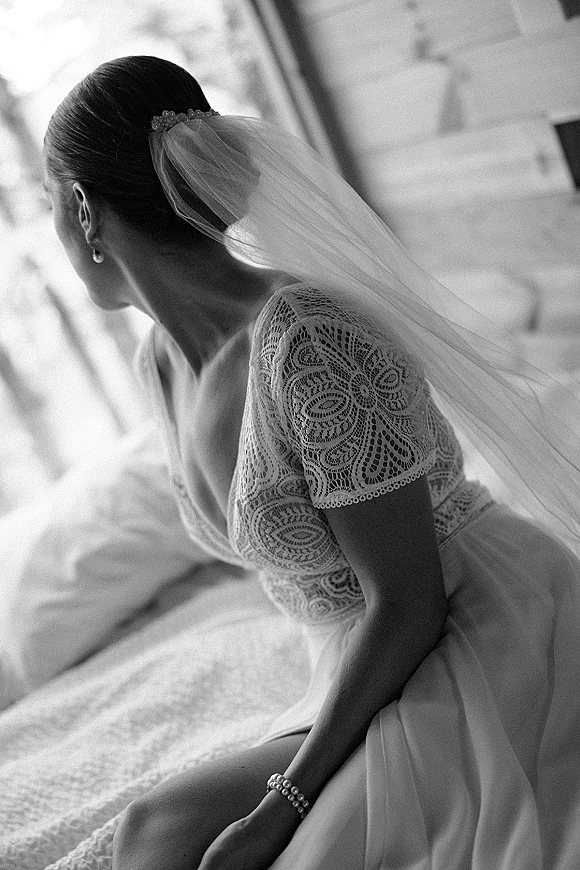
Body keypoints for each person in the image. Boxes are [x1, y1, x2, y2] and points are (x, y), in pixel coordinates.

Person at [43, 55, 580, 870]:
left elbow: (407, 601)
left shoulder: (309, 340)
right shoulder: (159, 360)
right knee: (161, 835)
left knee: (163, 832)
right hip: (352, 656)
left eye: (48, 203)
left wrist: (281, 805)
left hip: (473, 626)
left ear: (82, 209)